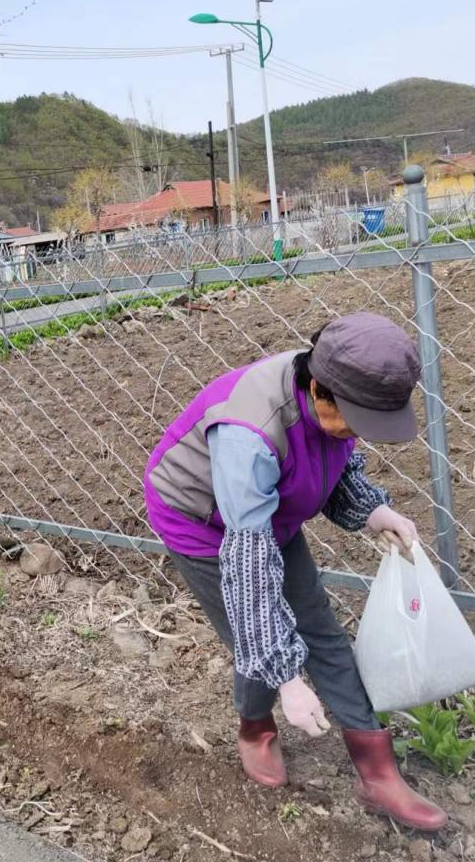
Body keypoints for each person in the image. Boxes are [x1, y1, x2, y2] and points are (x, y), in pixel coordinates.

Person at [144, 311, 447, 831]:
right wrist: (288, 679)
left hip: (270, 514)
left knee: (320, 628)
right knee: (253, 632)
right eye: (354, 420)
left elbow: (337, 458)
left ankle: (378, 774)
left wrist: (375, 512)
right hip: (203, 523)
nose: (359, 432)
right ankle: (255, 727)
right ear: (318, 390)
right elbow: (252, 577)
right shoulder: (250, 434)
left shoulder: (339, 392)